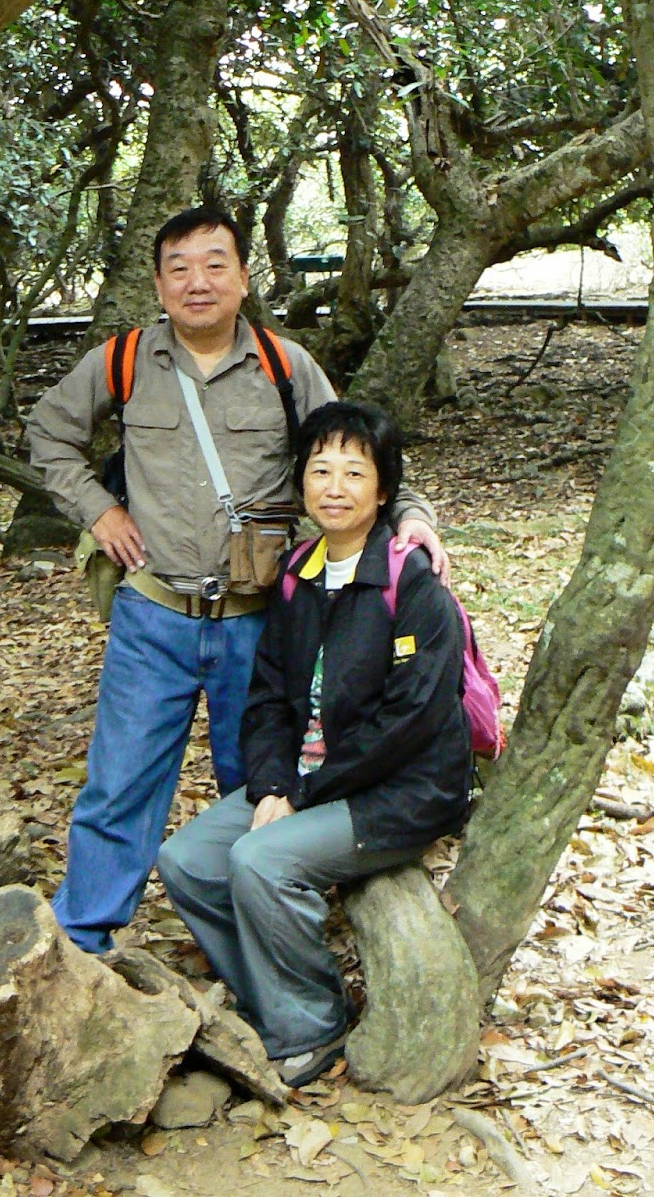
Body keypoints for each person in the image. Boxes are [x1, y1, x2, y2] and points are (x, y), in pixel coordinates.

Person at [27, 205, 449, 955]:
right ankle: (83, 937)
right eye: (180, 268)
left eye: (215, 265)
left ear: (244, 278)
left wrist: (413, 517)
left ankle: (251, 943)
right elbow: (48, 434)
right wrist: (99, 510)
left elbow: (357, 451)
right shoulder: (123, 361)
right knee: (119, 784)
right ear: (159, 284)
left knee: (256, 783)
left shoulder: (285, 366)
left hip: (261, 619)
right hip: (153, 610)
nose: (199, 282)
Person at [158, 400, 472, 1087]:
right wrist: (273, 783)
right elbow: (270, 695)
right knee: (188, 860)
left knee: (261, 861)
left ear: (382, 490)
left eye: (354, 473)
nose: (334, 487)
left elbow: (412, 720)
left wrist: (300, 795)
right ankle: (271, 1003)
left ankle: (312, 1026)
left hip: (398, 792)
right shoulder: (299, 573)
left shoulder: (412, 581)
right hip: (308, 777)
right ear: (301, 482)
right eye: (320, 470)